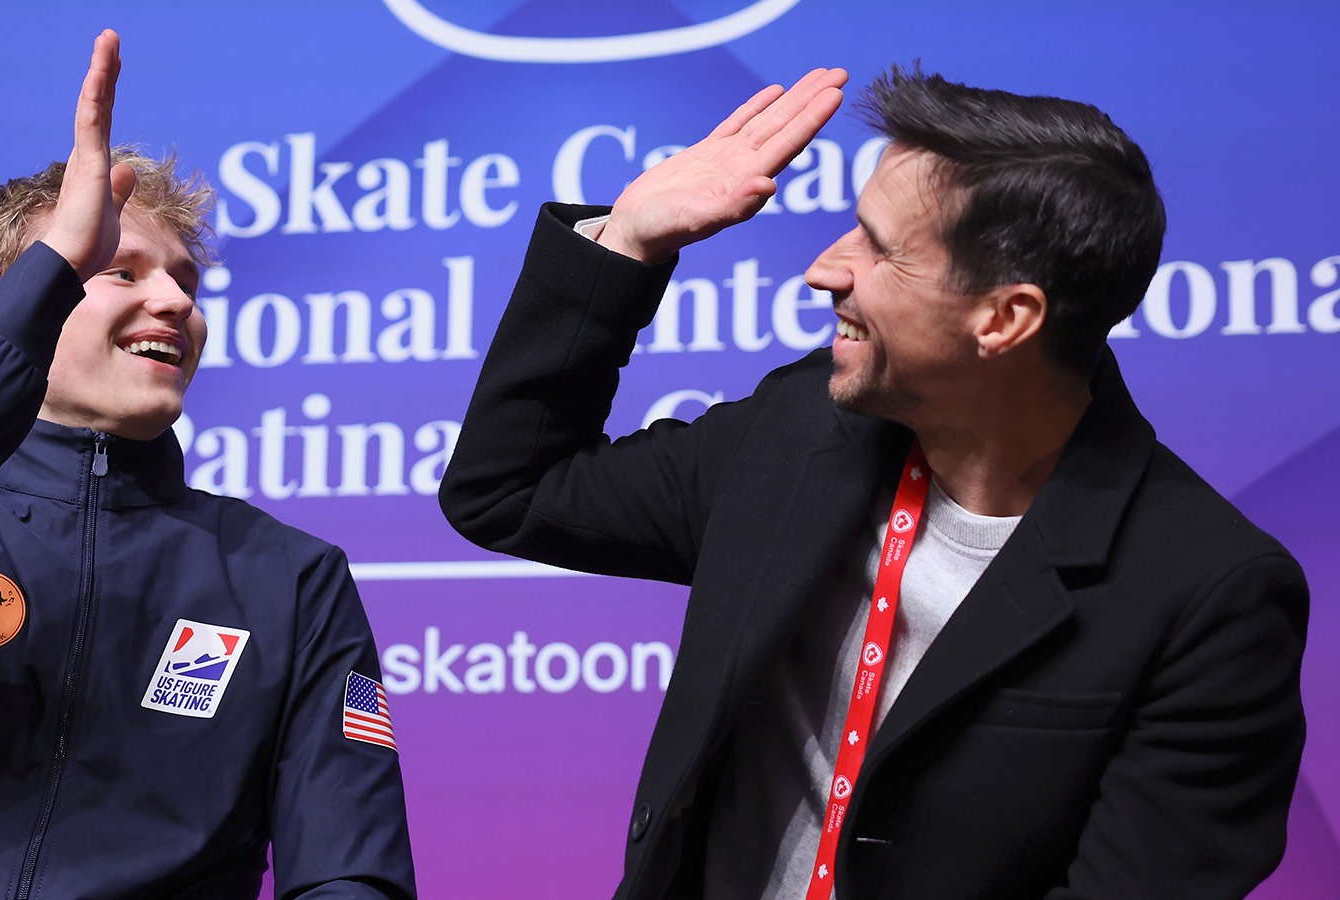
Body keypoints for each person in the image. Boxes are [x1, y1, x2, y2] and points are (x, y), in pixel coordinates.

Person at [439, 65, 1308, 898]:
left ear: (1004, 318)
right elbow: (511, 490)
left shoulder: (1210, 595)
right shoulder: (798, 433)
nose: (825, 268)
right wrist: (626, 242)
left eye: (881, 250)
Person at [0, 31, 414, 899]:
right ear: (6, 306)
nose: (174, 301)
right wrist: (51, 266)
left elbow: (350, 871)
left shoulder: (289, 577)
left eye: (188, 283)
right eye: (117, 270)